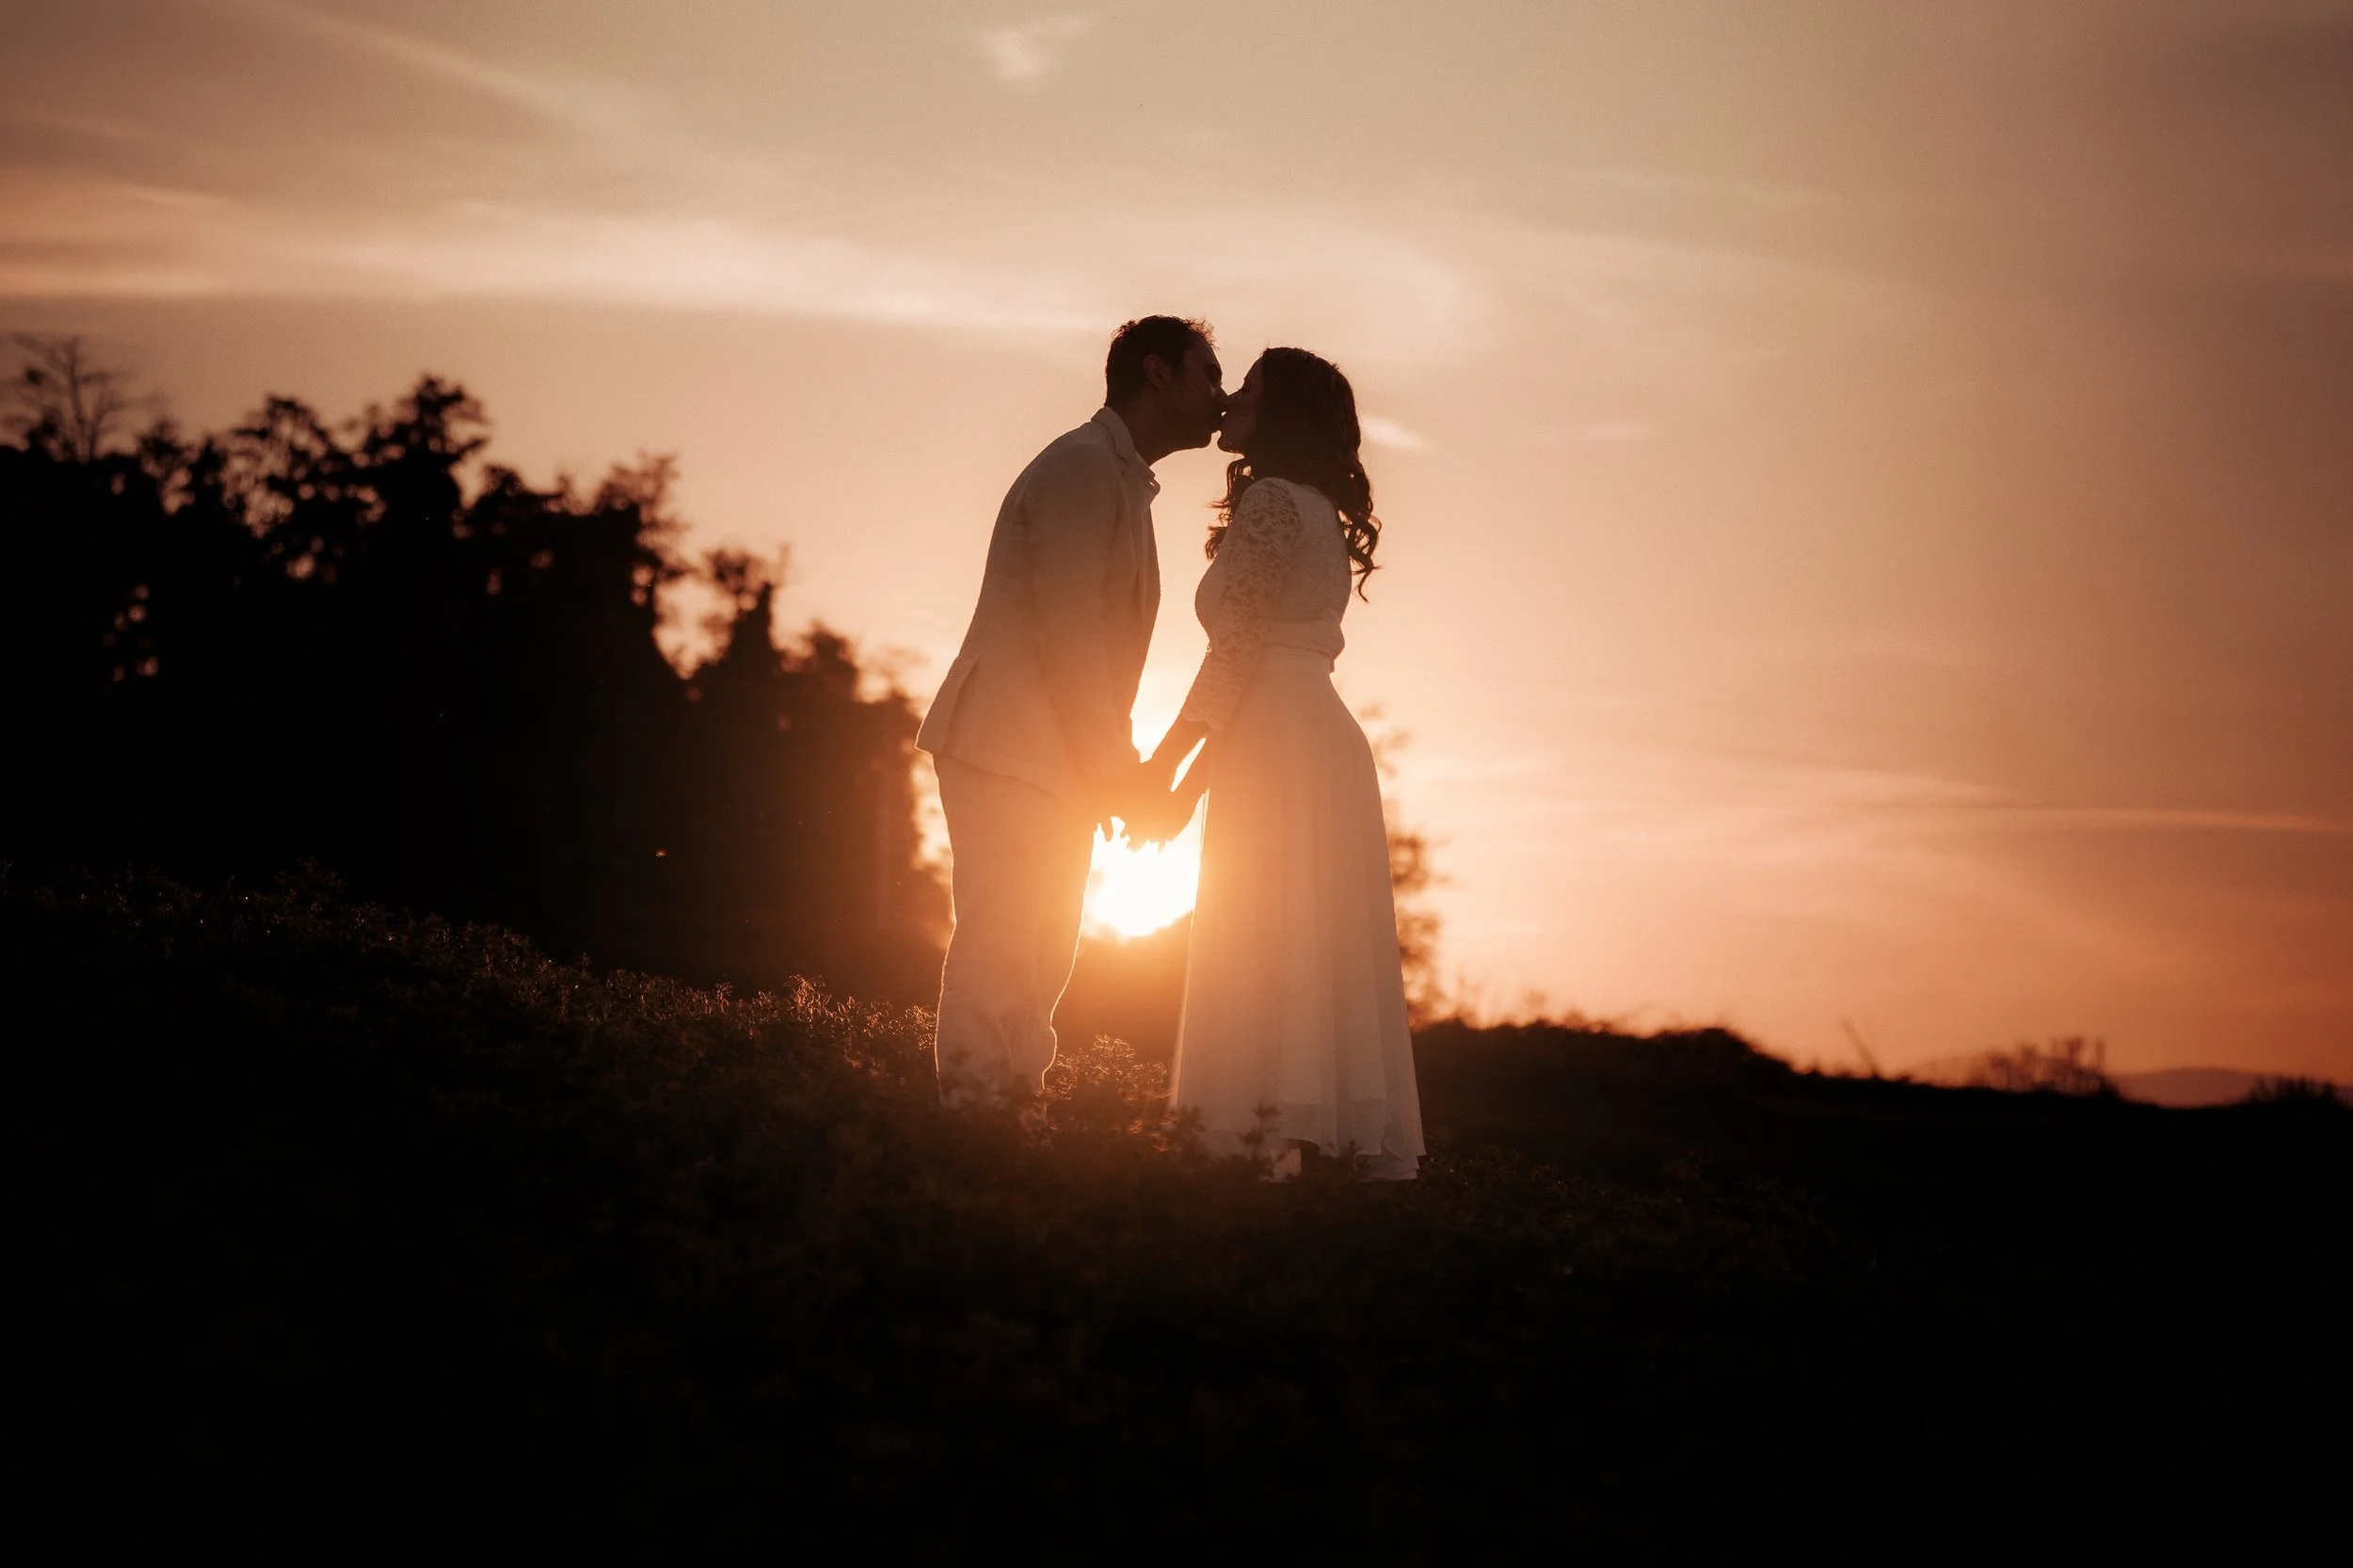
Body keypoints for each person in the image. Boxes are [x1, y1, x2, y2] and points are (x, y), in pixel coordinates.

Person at [917, 315, 1225, 1104]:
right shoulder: (1084, 469)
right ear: (1157, 373)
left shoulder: (1117, 477)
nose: (1220, 399)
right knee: (1003, 945)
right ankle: (976, 1129)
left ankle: (1014, 1121)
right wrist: (1118, 775)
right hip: (1008, 744)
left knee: (1042, 954)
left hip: (1047, 754)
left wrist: (1104, 775)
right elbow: (1072, 637)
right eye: (1208, 376)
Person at [1139, 347, 1425, 1180]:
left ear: (1280, 412)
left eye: (1250, 389)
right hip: (1309, 740)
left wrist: (1163, 769)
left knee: (1265, 931)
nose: (1230, 399)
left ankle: (1258, 1161)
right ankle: (1295, 1164)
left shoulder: (1269, 502)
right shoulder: (1318, 509)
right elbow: (1253, 664)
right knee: (1306, 939)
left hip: (1280, 738)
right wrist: (1188, 786)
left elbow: (1235, 655)